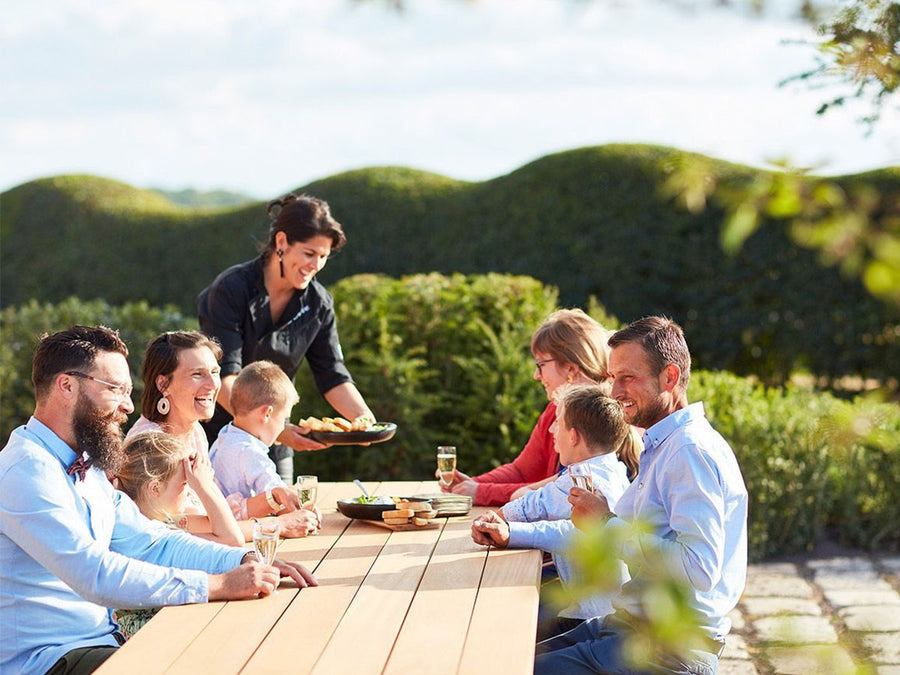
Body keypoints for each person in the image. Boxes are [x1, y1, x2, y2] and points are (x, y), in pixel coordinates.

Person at [0, 325, 316, 675]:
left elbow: (153, 541)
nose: (128, 405)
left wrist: (241, 558)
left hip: (102, 642)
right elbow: (95, 574)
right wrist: (220, 584)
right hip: (49, 661)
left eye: (128, 391)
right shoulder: (25, 470)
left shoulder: (88, 466)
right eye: (115, 390)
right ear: (67, 386)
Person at [534, 316, 748, 674]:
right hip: (629, 626)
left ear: (671, 377)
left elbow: (699, 567)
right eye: (613, 377)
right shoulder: (663, 444)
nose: (615, 392)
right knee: (511, 651)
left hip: (666, 650)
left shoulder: (688, 451)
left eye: (627, 378)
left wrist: (605, 523)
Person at [197, 193, 375, 483]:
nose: (315, 265)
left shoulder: (319, 303)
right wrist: (277, 430)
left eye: (323, 257)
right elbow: (224, 375)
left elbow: (332, 375)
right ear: (282, 243)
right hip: (221, 437)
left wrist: (366, 421)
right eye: (308, 253)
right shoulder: (231, 289)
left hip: (276, 441)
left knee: (283, 517)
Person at [471, 384, 637, 641]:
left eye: (557, 422)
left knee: (507, 639)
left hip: (591, 620)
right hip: (606, 611)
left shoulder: (582, 479)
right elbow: (535, 504)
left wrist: (504, 528)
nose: (551, 430)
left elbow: (532, 511)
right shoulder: (612, 469)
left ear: (573, 437)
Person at [127, 331, 317, 539]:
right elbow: (171, 530)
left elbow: (214, 513)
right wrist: (275, 526)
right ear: (163, 384)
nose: (212, 385)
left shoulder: (195, 432)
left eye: (215, 372)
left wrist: (273, 497)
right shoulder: (149, 446)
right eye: (197, 374)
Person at [441, 308, 637, 506]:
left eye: (541, 364)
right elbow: (522, 471)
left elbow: (557, 489)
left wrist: (481, 491)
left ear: (570, 368)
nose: (536, 375)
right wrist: (471, 484)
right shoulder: (554, 410)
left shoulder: (605, 419)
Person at [114, 431, 245, 638]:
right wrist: (205, 487)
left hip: (174, 620)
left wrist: (203, 483)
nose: (190, 493)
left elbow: (224, 532)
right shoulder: (147, 534)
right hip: (150, 635)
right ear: (155, 488)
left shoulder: (165, 519)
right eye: (185, 485)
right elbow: (232, 541)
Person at [210, 360, 318, 526]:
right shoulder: (251, 452)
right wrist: (305, 510)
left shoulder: (224, 438)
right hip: (244, 532)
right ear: (267, 413)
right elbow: (281, 498)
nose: (283, 426)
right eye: (283, 419)